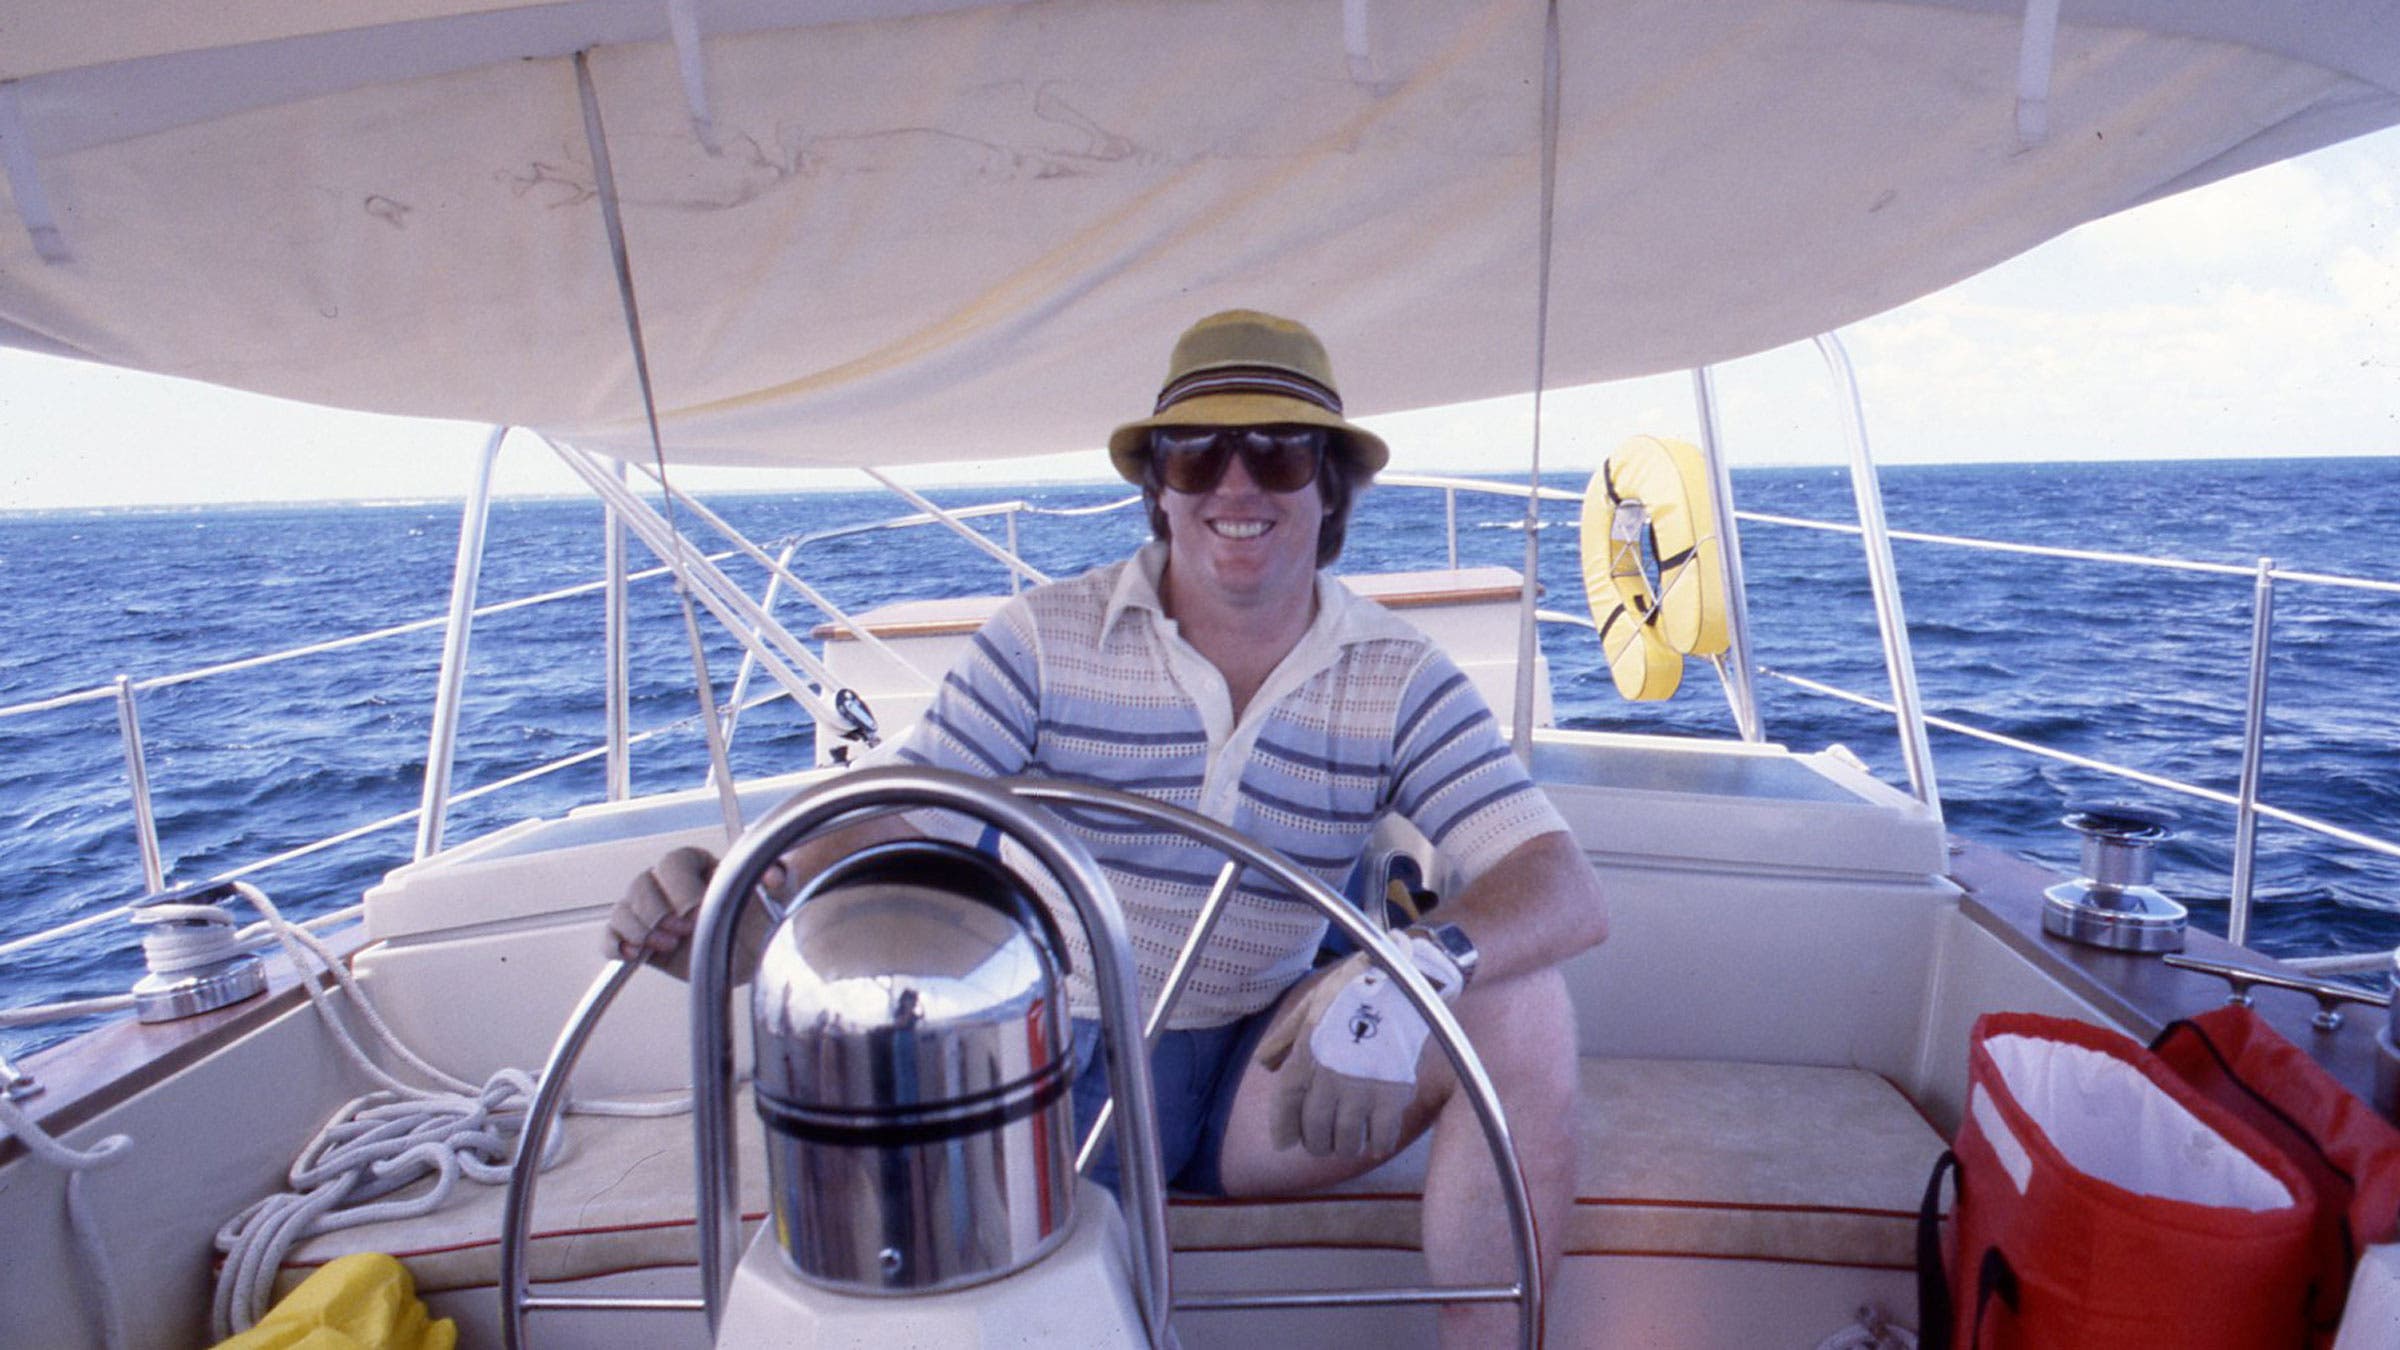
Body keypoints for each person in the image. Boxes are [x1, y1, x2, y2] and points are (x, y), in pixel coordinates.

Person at [609, 309, 1608, 1346]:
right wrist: (745, 892)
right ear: (1158, 489)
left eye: (1277, 453)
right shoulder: (1046, 642)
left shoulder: (1397, 677)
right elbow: (898, 808)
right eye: (1195, 455)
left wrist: (1404, 975)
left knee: (1522, 1001)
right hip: (1047, 1065)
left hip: (1263, 1074)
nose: (1235, 485)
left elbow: (1561, 884)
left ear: (1328, 490)